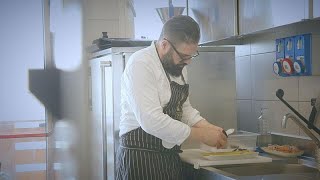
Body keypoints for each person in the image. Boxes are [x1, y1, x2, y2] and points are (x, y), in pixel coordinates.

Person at [116, 15, 227, 180]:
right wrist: (202, 135)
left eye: (191, 56)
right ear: (164, 45)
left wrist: (209, 127)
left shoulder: (178, 65)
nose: (188, 62)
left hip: (168, 157)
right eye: (183, 56)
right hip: (140, 157)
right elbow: (151, 120)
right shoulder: (141, 64)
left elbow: (184, 108)